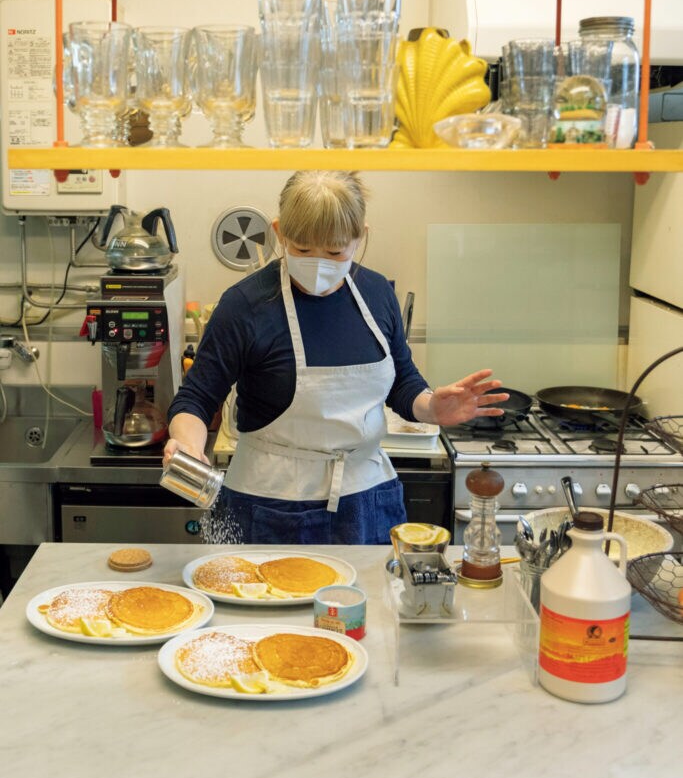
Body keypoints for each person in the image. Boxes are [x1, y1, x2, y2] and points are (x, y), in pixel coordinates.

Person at [164, 171, 508, 544]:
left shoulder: (377, 293)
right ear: (279, 232)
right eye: (302, 249)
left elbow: (402, 382)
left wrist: (431, 407)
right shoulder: (245, 305)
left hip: (367, 499)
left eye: (334, 252)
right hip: (268, 501)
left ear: (360, 236)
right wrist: (188, 444)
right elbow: (196, 399)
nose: (318, 263)